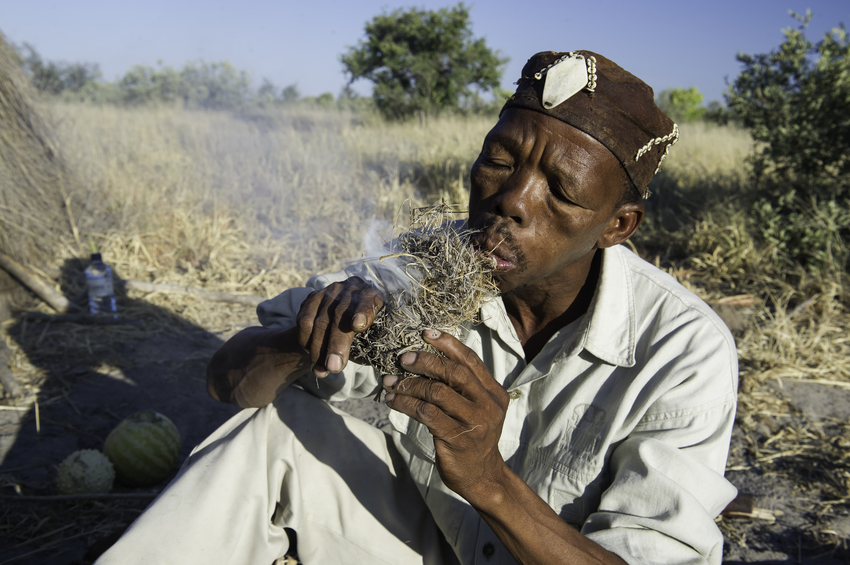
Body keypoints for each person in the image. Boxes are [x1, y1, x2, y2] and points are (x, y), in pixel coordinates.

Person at [97, 51, 738, 565]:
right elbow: (226, 381)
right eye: (499, 160)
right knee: (273, 424)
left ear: (617, 225)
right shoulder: (424, 266)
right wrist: (306, 337)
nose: (511, 199)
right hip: (425, 542)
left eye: (562, 191)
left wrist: (488, 480)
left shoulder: (682, 350)